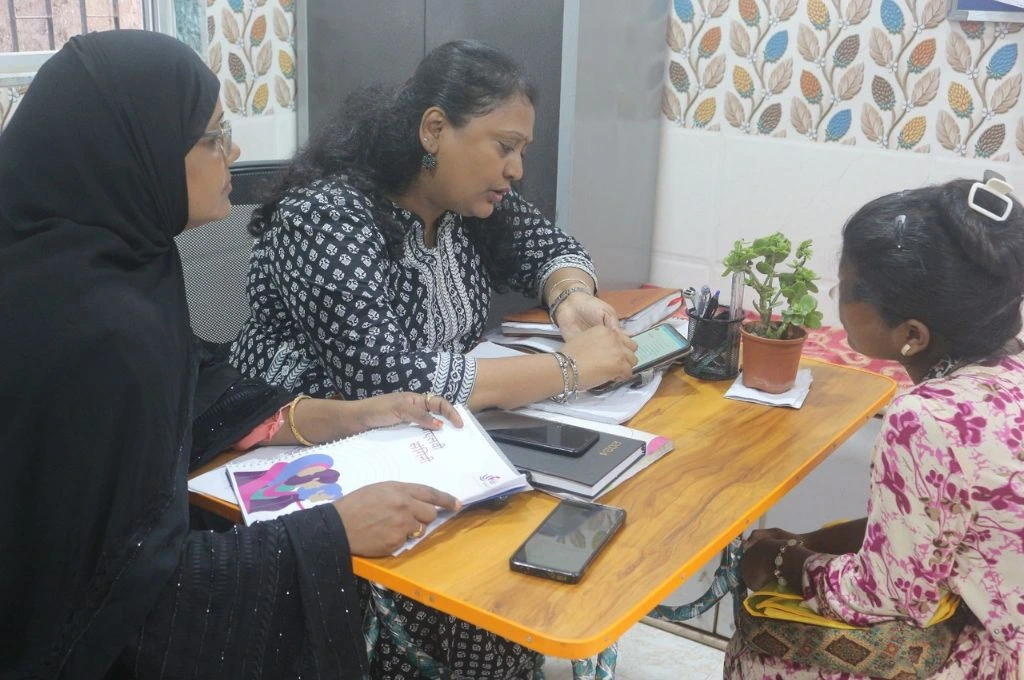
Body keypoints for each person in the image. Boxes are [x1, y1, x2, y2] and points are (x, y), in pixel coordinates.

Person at [0, 30, 464, 679]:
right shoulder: (97, 332)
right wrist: (331, 533)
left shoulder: (120, 262)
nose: (234, 153)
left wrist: (351, 415)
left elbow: (193, 396)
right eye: (214, 137)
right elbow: (114, 600)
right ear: (135, 150)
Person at [229, 39, 637, 411]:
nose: (515, 169)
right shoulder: (325, 217)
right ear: (435, 130)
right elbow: (382, 378)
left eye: (522, 151)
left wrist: (570, 297)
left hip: (424, 432)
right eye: (505, 146)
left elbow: (552, 251)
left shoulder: (465, 204)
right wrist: (568, 369)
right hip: (291, 444)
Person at [724, 177, 1024, 678]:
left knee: (759, 651)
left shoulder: (925, 419)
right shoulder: (1011, 372)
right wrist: (810, 543)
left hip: (993, 653)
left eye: (846, 286)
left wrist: (781, 566)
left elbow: (891, 597)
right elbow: (934, 525)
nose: (836, 297)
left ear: (911, 335)